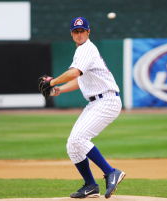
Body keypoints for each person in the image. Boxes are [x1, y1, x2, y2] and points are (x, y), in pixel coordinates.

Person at [49, 16, 125, 199]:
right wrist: (59, 89)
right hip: (96, 102)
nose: (79, 34)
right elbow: (79, 80)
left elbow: (74, 72)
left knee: (79, 138)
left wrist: (52, 81)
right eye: (76, 31)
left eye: (82, 30)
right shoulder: (82, 51)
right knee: (72, 145)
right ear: (71, 34)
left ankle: (111, 172)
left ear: (88, 32)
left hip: (107, 101)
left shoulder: (87, 48)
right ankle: (91, 185)